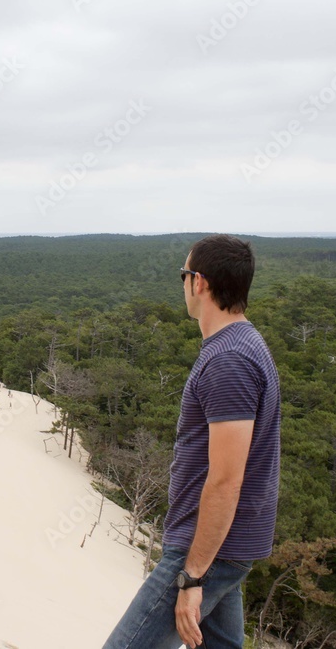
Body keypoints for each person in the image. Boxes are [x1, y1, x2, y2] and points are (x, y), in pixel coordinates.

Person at [103, 234, 281, 649]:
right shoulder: (241, 344)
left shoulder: (229, 361)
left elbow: (225, 480)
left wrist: (193, 576)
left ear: (198, 282)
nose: (183, 283)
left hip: (208, 549)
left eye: (183, 275)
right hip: (224, 546)